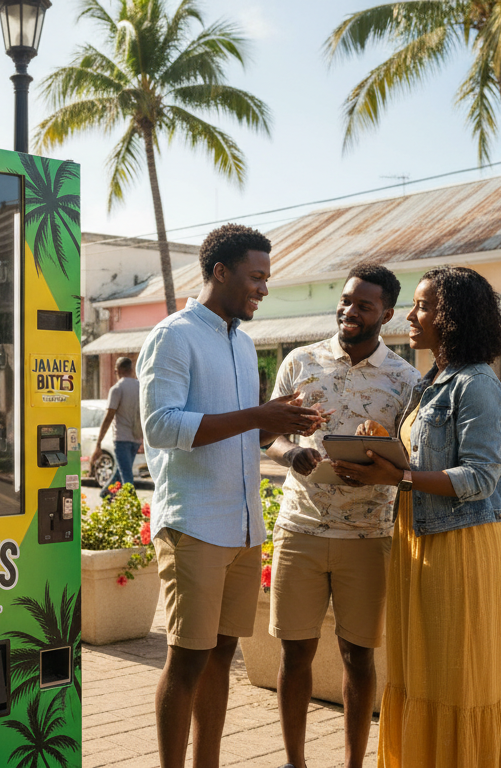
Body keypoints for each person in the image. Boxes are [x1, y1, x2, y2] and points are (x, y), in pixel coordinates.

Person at [138, 223, 326, 768]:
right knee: (187, 661)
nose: (264, 288)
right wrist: (258, 415)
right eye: (256, 276)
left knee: (222, 657)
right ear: (220, 272)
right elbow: (162, 426)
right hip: (194, 522)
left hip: (243, 527)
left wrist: (288, 437)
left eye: (267, 277)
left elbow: (254, 432)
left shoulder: (243, 343)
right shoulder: (173, 335)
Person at [335, 265, 501, 767]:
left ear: (452, 317)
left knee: (457, 680)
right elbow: (422, 462)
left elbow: (480, 477)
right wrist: (384, 451)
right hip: (419, 542)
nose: (411, 317)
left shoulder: (476, 385)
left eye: (423, 306)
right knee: (419, 676)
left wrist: (398, 478)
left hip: (459, 548)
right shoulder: (431, 382)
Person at [263, 262, 420, 768]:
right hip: (300, 528)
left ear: (387, 314)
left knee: (359, 656)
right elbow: (270, 433)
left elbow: (410, 458)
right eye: (347, 300)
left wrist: (379, 467)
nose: (349, 311)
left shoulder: (405, 380)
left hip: (368, 535)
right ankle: (295, 761)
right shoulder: (300, 361)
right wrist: (291, 453)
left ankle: (354, 763)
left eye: (364, 305)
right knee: (295, 654)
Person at [91, 357, 141, 499]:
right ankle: (105, 494)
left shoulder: (117, 389)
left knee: (126, 476)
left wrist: (99, 442)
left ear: (117, 371)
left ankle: (134, 509)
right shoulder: (141, 387)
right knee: (121, 471)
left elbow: (109, 416)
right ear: (131, 370)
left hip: (121, 438)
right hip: (137, 438)